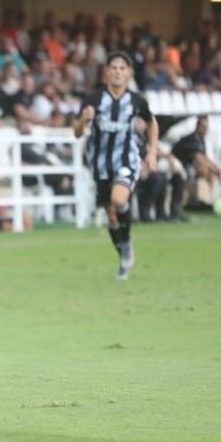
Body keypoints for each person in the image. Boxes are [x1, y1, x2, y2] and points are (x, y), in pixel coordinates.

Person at [74, 51, 158, 280]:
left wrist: (151, 152)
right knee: (111, 214)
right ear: (107, 72)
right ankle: (123, 256)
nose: (118, 72)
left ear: (129, 73)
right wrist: (84, 120)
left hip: (126, 159)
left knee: (119, 200)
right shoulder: (93, 99)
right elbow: (76, 132)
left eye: (123, 68)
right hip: (100, 163)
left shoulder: (136, 100)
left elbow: (152, 123)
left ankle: (127, 242)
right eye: (114, 68)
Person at [171, 115, 221, 209]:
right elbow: (199, 158)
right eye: (204, 127)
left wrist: (216, 168)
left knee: (210, 171)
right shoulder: (192, 139)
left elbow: (205, 157)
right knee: (204, 170)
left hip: (188, 167)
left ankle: (205, 199)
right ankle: (198, 201)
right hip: (179, 166)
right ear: (198, 126)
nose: (206, 130)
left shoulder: (201, 139)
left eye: (207, 127)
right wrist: (216, 170)